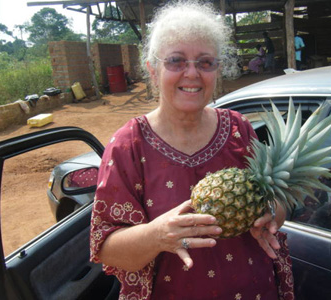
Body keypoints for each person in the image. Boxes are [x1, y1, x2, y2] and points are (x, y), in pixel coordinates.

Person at [89, 1, 292, 299]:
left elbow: (277, 198)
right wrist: (157, 235)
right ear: (153, 69)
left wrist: (272, 213)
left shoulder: (238, 128)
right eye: (176, 61)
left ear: (218, 70)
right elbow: (107, 250)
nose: (192, 73)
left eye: (205, 62)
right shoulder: (128, 145)